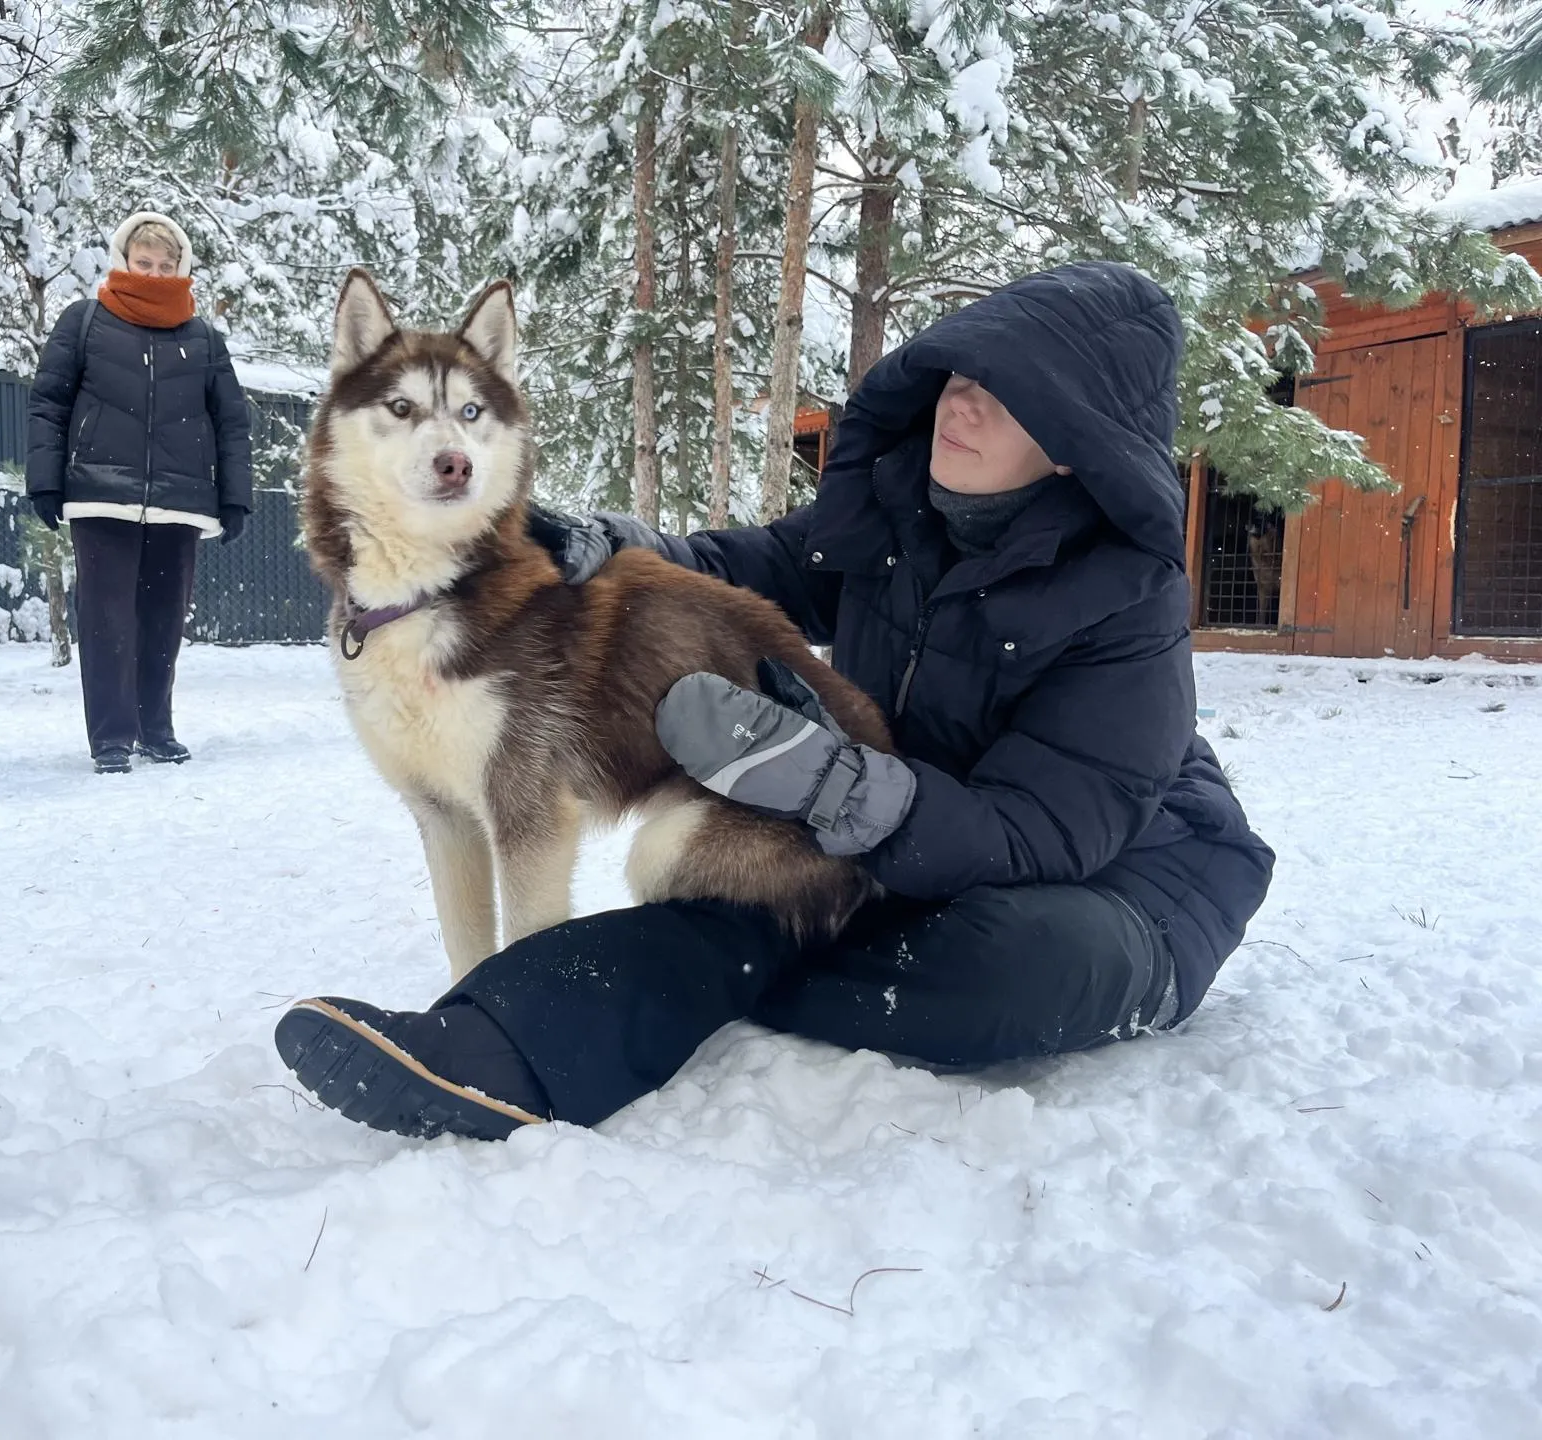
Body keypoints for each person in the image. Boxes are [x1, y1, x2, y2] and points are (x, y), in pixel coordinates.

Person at [274, 261, 1278, 1142]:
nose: (961, 407)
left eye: (1004, 402)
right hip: (902, 838)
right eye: (962, 382)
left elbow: (1046, 828)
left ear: (1073, 446)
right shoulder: (897, 516)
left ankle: (759, 963)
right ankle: (495, 1045)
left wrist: (847, 788)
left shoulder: (1130, 601)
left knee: (1002, 966)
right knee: (744, 899)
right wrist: (607, 548)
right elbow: (743, 566)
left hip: (1122, 882)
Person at [25, 211, 253, 774]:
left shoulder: (202, 338)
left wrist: (235, 497)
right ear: (122, 261)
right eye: (143, 262)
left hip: (179, 499)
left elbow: (231, 422)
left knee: (163, 616)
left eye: (165, 264)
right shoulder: (84, 321)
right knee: (105, 617)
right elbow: (48, 404)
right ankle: (111, 737)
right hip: (100, 495)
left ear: (182, 269)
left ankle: (155, 727)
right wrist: (46, 480)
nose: (153, 273)